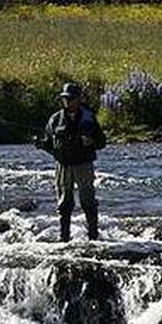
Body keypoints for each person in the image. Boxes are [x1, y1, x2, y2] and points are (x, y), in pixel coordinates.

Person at [34, 83, 106, 242]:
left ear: (78, 99)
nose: (67, 101)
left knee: (88, 201)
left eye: (70, 98)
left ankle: (93, 236)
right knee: (64, 204)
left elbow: (102, 142)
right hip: (63, 165)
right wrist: (40, 144)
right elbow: (48, 143)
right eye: (65, 98)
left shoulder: (89, 117)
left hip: (84, 164)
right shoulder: (55, 119)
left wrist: (90, 142)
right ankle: (64, 237)